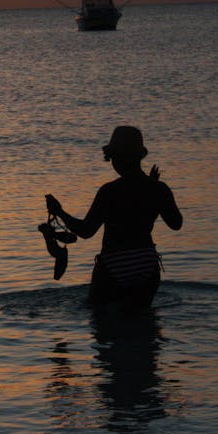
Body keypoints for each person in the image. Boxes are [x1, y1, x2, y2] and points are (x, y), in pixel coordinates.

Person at [45, 126, 183, 308]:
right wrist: (154, 190)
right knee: (143, 324)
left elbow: (86, 231)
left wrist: (60, 212)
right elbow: (176, 224)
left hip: (114, 264)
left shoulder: (109, 191)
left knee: (101, 320)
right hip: (146, 264)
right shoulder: (158, 189)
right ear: (139, 158)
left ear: (115, 160)